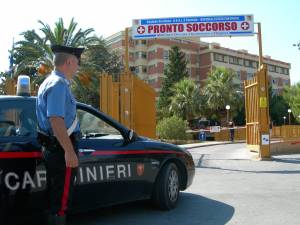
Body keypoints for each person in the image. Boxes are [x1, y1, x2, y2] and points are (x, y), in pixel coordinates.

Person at [36, 45, 84, 225]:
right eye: (77, 63)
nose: (77, 67)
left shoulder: (49, 82)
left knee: (54, 194)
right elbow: (56, 119)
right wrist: (69, 151)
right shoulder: (58, 84)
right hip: (61, 148)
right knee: (61, 199)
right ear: (69, 61)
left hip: (53, 147)